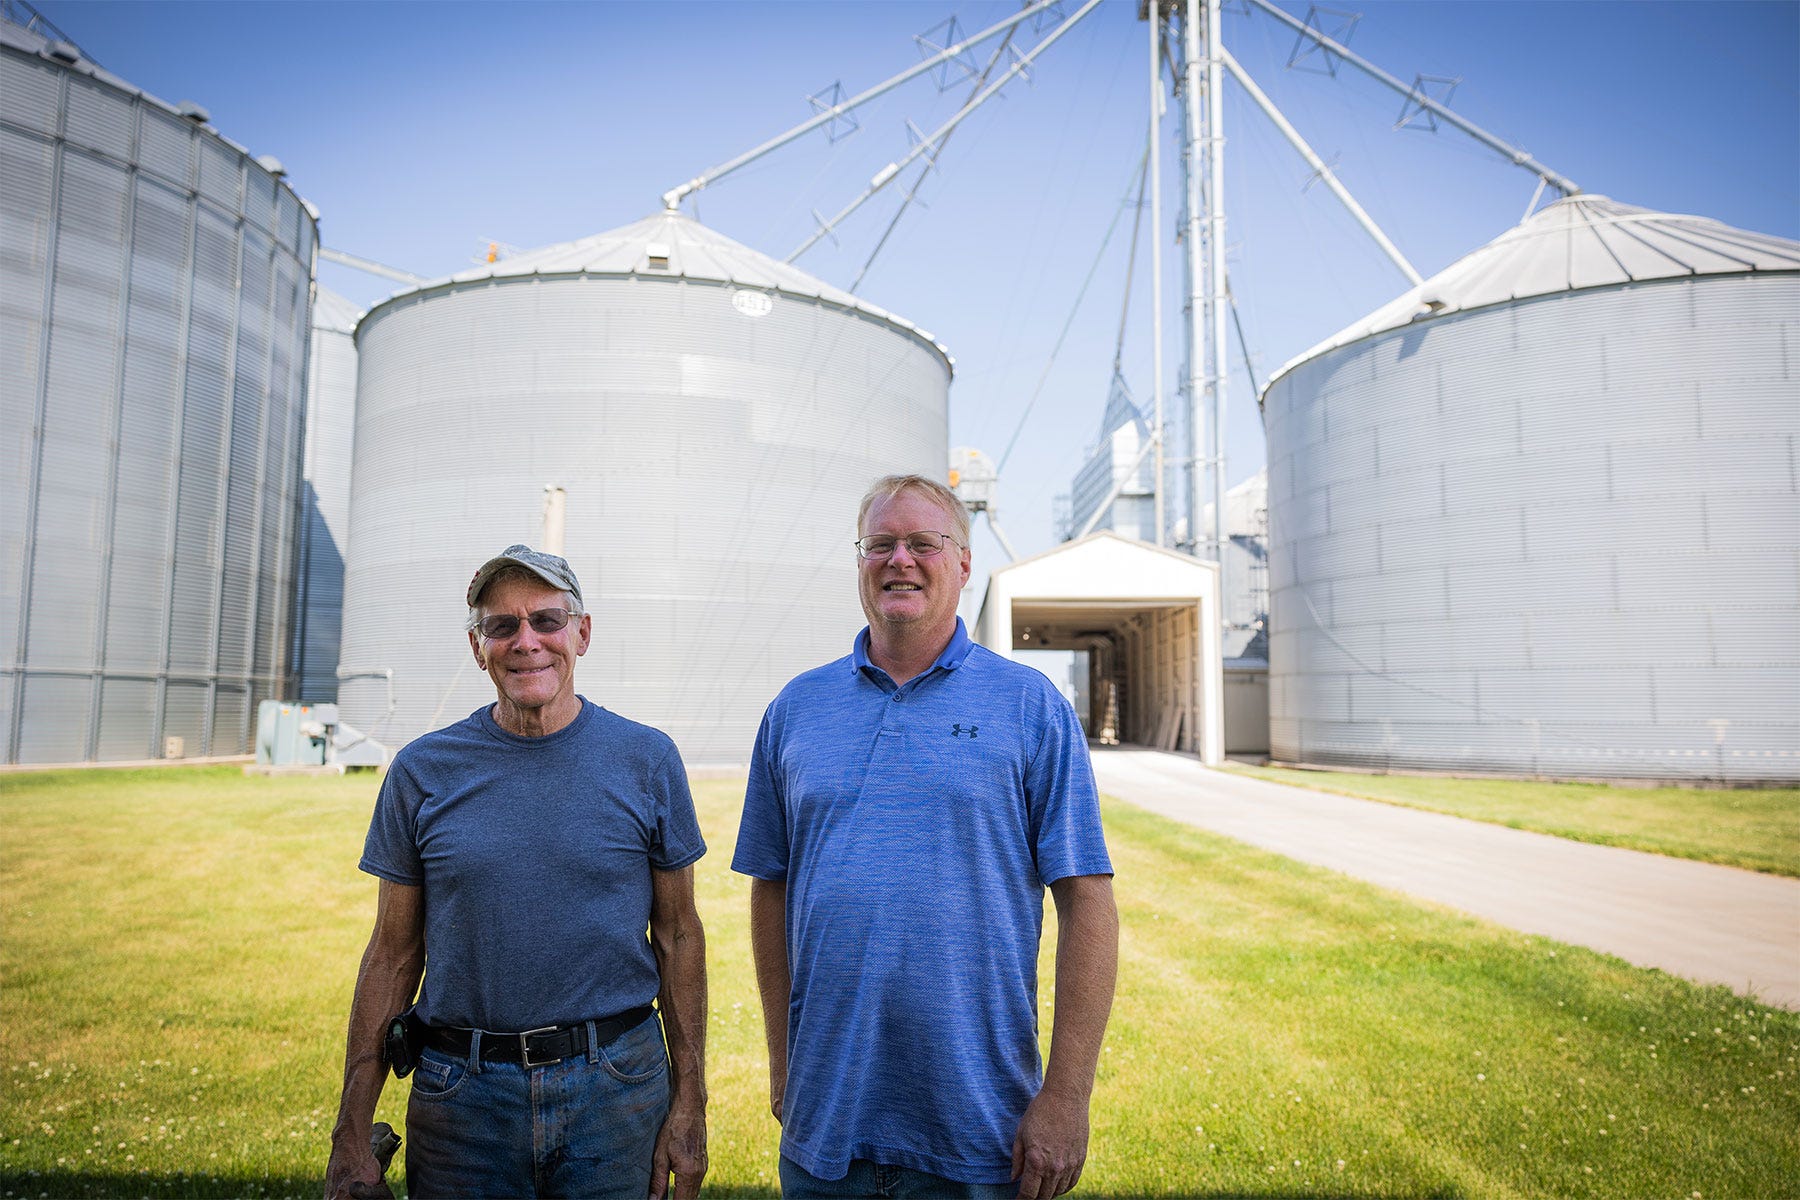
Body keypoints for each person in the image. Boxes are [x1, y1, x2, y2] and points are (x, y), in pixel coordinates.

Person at [733, 475, 1119, 1200]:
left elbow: (1088, 902)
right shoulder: (795, 709)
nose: (899, 559)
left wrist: (1066, 1098)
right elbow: (770, 889)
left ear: (964, 565)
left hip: (981, 1131)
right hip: (826, 1131)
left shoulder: (1031, 707)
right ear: (860, 564)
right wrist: (783, 1062)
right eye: (880, 544)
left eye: (922, 543)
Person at [324, 545, 708, 1200]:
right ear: (478, 646)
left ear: (582, 633)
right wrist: (350, 1130)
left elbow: (678, 937)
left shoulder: (647, 760)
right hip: (461, 1101)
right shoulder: (422, 772)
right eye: (502, 626)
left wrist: (691, 1103)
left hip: (615, 1093)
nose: (526, 642)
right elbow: (391, 953)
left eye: (547, 621)